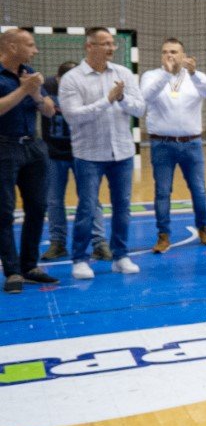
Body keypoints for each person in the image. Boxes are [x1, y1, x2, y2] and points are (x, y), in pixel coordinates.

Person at [58, 27, 146, 280]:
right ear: (89, 47)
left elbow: (140, 109)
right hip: (88, 155)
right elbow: (73, 116)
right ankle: (80, 259)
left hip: (122, 152)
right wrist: (107, 100)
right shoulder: (73, 79)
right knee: (87, 208)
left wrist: (121, 99)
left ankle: (121, 256)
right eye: (104, 43)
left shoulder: (123, 73)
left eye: (112, 43)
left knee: (123, 207)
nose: (110, 48)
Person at [140, 38, 206, 253]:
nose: (169, 55)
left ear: (183, 55)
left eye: (174, 52)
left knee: (199, 189)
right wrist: (166, 74)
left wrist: (194, 74)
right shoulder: (151, 76)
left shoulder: (195, 76)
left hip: (192, 143)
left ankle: (203, 227)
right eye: (165, 52)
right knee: (162, 191)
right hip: (161, 144)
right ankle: (163, 235)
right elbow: (145, 97)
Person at [0, 29, 59, 294]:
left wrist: (35, 93)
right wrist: (24, 89)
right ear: (12, 47)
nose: (35, 50)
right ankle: (12, 271)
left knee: (37, 207)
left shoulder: (30, 73)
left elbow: (49, 111)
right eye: (30, 45)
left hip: (33, 147)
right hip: (4, 146)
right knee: (4, 211)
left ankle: (30, 266)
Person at [42, 61, 106, 262]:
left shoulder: (87, 87)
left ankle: (99, 242)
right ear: (58, 79)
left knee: (90, 198)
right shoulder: (46, 86)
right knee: (53, 200)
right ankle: (57, 243)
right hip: (53, 153)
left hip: (83, 153)